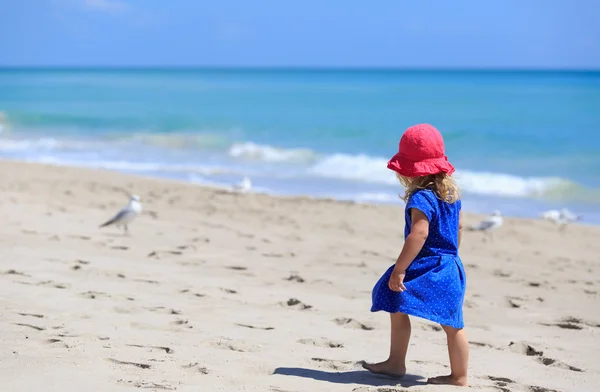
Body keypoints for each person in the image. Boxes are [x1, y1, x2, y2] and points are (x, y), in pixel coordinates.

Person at [362, 123, 469, 387]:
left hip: (427, 265)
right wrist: (452, 257)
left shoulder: (421, 198)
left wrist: (400, 269)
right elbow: (459, 228)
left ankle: (396, 362)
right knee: (453, 324)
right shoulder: (452, 196)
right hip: (451, 264)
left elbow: (418, 235)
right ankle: (459, 376)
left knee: (392, 294)